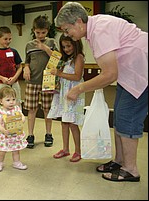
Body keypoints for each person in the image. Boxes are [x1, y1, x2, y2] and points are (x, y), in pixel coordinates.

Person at [55, 2, 147, 182]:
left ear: (79, 22)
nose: (67, 35)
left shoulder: (100, 30)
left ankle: (131, 169)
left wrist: (79, 88)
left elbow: (109, 74)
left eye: (67, 30)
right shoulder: (94, 28)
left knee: (128, 118)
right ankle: (120, 161)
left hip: (141, 71)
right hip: (129, 73)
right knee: (120, 116)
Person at [47, 35, 85, 162]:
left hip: (74, 93)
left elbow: (77, 76)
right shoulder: (67, 59)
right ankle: (65, 149)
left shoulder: (79, 57)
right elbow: (63, 76)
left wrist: (59, 73)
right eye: (64, 46)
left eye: (69, 46)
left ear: (76, 44)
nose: (66, 49)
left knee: (73, 123)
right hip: (64, 93)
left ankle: (78, 151)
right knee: (64, 122)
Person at [23, 15, 58, 148]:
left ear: (47, 31)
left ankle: (48, 134)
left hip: (48, 80)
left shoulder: (51, 42)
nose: (41, 35)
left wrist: (44, 48)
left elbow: (56, 59)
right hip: (32, 81)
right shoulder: (29, 45)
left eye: (43, 32)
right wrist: (26, 67)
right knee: (31, 109)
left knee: (47, 109)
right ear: (34, 30)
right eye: (38, 32)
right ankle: (30, 134)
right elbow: (27, 61)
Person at [0, 86, 28, 172]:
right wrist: (3, 130)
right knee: (2, 151)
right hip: (4, 135)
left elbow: (22, 116)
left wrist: (22, 120)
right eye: (8, 100)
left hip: (15, 134)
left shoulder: (16, 108)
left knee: (16, 149)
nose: (11, 102)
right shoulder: (0, 112)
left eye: (13, 99)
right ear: (1, 101)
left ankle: (16, 162)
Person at [0, 26, 23, 111]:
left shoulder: (14, 52)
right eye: (5, 39)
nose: (8, 41)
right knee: (1, 105)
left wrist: (14, 78)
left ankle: (16, 122)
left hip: (14, 83)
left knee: (16, 103)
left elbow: (20, 67)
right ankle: (1, 123)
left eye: (10, 39)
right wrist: (2, 78)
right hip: (1, 84)